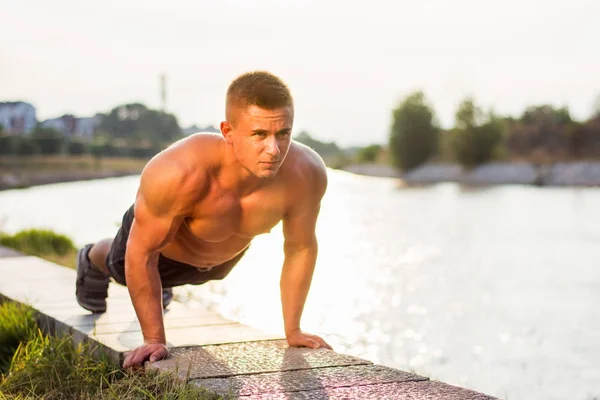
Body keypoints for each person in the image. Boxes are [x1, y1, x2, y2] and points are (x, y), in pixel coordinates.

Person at [75, 70, 332, 368]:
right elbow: (142, 252)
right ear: (228, 131)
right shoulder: (179, 171)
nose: (273, 150)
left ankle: (161, 289)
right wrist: (154, 338)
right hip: (156, 257)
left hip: (218, 264)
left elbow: (300, 248)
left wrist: (294, 330)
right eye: (259, 134)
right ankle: (90, 258)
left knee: (185, 273)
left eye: (283, 133)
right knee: (119, 264)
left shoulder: (306, 174)